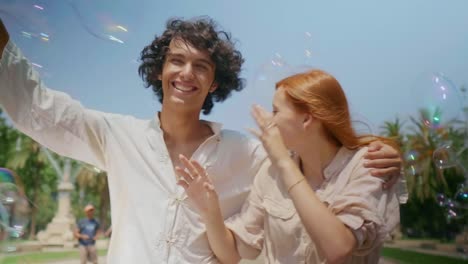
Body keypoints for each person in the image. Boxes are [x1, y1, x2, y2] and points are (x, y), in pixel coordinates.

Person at [0, 17, 403, 263]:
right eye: (176, 61)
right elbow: (35, 108)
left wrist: (378, 154)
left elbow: (315, 173)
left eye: (201, 66)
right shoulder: (116, 134)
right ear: (159, 71)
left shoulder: (248, 153)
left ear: (214, 83)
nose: (187, 73)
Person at [178, 69, 405, 263]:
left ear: (307, 120)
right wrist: (210, 210)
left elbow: (338, 247)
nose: (270, 119)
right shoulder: (271, 173)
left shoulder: (368, 165)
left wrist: (284, 162)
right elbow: (232, 253)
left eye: (276, 111)